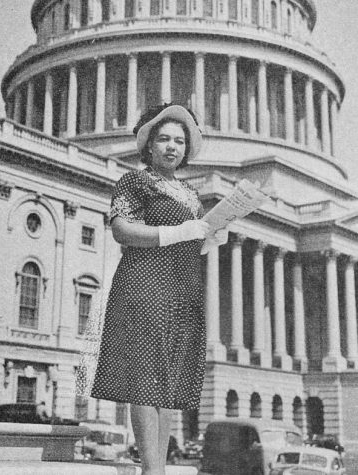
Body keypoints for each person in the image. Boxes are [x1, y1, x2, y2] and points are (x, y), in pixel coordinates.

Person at [89, 104, 228, 475]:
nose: (172, 146)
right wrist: (177, 232)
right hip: (144, 284)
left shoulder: (189, 193)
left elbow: (189, 244)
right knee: (146, 379)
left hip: (181, 290)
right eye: (164, 138)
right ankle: (153, 470)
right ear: (148, 145)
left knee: (168, 385)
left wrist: (210, 235)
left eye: (179, 141)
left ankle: (158, 466)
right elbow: (122, 230)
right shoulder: (135, 182)